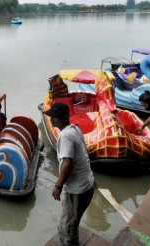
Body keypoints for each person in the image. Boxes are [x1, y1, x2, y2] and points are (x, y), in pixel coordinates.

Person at [44, 102, 95, 246]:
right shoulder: (75, 129)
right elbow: (84, 154)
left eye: (55, 117)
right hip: (86, 183)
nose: (52, 119)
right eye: (51, 116)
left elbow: (67, 164)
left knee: (67, 229)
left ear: (65, 118)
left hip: (77, 190)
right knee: (69, 221)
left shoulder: (65, 136)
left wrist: (58, 186)